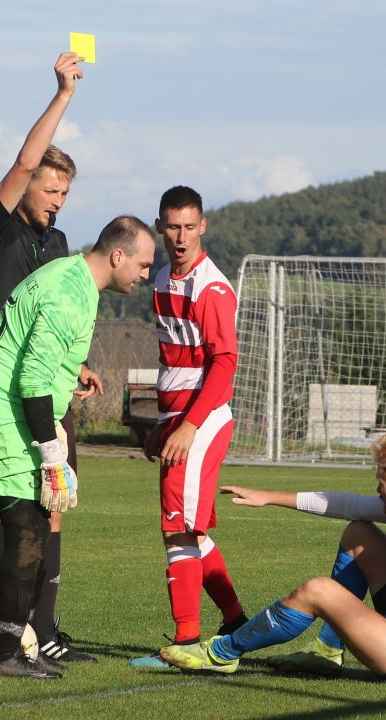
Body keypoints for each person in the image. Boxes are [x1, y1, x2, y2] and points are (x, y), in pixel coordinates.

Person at [0, 51, 104, 663]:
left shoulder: (59, 245)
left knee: (47, 505)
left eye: (65, 190)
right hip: (6, 387)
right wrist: (64, 95)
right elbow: (22, 159)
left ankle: (41, 629)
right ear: (27, 183)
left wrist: (79, 365)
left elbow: (59, 320)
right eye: (49, 185)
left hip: (45, 390)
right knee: (25, 508)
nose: (57, 197)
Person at [0, 215, 155, 678]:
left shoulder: (71, 276)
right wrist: (52, 452)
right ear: (117, 256)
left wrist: (72, 374)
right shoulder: (71, 295)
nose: (146, 275)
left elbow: (38, 354)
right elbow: (29, 379)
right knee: (28, 526)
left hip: (11, 407)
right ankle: (6, 651)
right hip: (2, 411)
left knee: (34, 522)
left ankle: (16, 643)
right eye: (144, 264)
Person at [160, 430, 386, 692]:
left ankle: (221, 653)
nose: (377, 490)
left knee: (316, 591)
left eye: (381, 483)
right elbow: (350, 506)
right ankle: (327, 650)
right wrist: (269, 498)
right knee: (357, 533)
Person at [129, 186, 247, 670]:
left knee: (177, 531)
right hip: (177, 417)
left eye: (189, 226)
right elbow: (173, 360)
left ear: (204, 227)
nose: (181, 236)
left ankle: (188, 643)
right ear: (160, 227)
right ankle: (237, 624)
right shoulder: (160, 279)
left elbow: (224, 364)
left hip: (203, 419)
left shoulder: (211, 288)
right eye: (172, 227)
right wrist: (163, 423)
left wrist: (189, 426)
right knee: (191, 534)